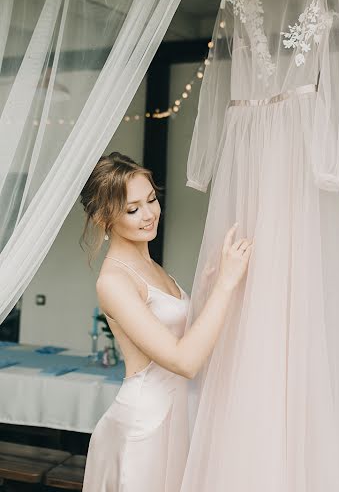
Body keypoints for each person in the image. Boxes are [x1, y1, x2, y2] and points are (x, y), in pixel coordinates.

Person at [79, 151, 252, 492]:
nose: (149, 214)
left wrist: (204, 292)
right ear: (102, 218)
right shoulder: (114, 281)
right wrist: (225, 284)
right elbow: (183, 361)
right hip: (146, 427)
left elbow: (186, 340)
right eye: (133, 209)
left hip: (179, 418)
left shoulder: (154, 269)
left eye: (152, 199)